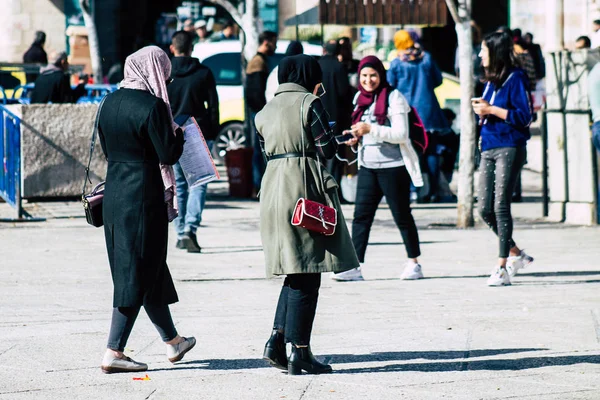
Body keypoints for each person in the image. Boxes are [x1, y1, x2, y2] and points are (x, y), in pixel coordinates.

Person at [256, 54, 359, 375]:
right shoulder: (309, 103)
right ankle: (300, 351)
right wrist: (340, 138)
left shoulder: (264, 111)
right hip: (302, 185)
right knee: (308, 268)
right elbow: (326, 149)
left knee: (293, 266)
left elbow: (265, 150)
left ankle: (276, 340)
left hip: (272, 187)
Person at [97, 46, 196, 373]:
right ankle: (114, 350)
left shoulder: (108, 102)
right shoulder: (153, 106)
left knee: (147, 265)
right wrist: (179, 134)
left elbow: (106, 146)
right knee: (135, 272)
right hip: (143, 196)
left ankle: (173, 341)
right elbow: (167, 153)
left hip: (114, 193)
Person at [332, 55, 425, 282]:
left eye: (373, 75)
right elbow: (365, 132)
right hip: (368, 166)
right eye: (364, 75)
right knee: (361, 216)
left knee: (402, 215)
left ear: (381, 75)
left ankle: (414, 263)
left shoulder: (394, 98)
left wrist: (370, 128)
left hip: (394, 168)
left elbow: (401, 134)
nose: (368, 80)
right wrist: (356, 138)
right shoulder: (359, 98)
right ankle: (353, 266)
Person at [471, 32, 535, 287]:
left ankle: (501, 268)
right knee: (483, 208)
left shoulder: (515, 78)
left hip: (509, 145)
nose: (480, 55)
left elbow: (524, 116)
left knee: (500, 206)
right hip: (488, 145)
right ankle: (517, 254)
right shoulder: (491, 80)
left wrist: (491, 109)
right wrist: (483, 109)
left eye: (484, 51)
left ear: (495, 53)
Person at [168, 31, 220, 253]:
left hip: (171, 133)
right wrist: (213, 132)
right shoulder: (204, 73)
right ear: (192, 48)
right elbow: (214, 106)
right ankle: (190, 229)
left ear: (173, 48)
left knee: (178, 184)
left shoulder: (165, 74)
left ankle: (180, 233)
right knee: (198, 182)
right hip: (198, 132)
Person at [387, 30, 452, 203]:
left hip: (408, 112)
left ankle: (414, 190)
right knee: (431, 151)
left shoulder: (396, 63)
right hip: (429, 111)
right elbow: (438, 80)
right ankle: (433, 191)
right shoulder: (426, 58)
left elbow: (390, 86)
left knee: (411, 151)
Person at [318, 40, 353, 200]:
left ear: (324, 49)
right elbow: (344, 92)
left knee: (319, 154)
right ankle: (333, 191)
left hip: (317, 116)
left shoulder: (317, 65)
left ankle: (319, 191)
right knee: (335, 155)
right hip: (336, 117)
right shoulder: (339, 67)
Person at [245, 30, 278, 194]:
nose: (276, 46)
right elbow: (256, 92)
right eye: (274, 42)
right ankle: (259, 185)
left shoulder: (258, 60)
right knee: (260, 149)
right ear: (266, 42)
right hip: (259, 112)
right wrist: (264, 112)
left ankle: (259, 185)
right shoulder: (258, 62)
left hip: (257, 111)